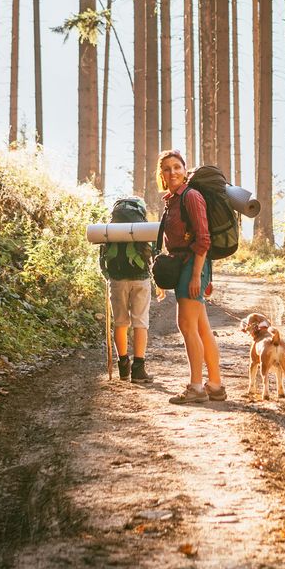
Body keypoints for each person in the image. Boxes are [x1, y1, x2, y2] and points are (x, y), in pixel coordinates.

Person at [158, 150, 226, 404]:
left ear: (185, 171)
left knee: (186, 326)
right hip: (185, 264)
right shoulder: (173, 200)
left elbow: (204, 238)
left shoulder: (192, 196)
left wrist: (197, 275)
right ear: (161, 175)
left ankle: (197, 386)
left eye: (177, 167)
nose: (172, 172)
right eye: (167, 169)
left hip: (193, 265)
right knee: (200, 327)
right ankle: (215, 385)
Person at [98, 196, 155, 383]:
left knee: (120, 322)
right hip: (140, 279)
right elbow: (152, 252)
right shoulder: (141, 226)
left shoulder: (112, 228)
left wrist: (108, 275)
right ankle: (139, 369)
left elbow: (103, 254)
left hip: (117, 279)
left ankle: (123, 366)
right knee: (140, 323)